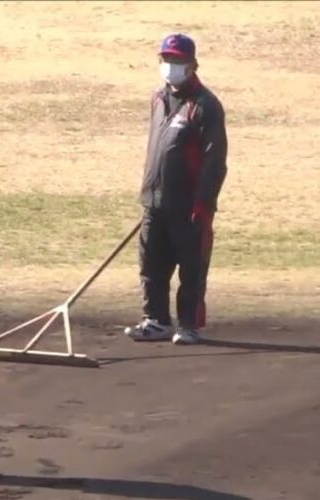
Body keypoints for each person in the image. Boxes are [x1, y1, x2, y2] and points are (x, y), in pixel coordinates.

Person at [125, 32, 227, 345]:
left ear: (192, 64)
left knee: (191, 270)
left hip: (189, 206)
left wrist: (203, 203)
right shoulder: (158, 98)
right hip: (154, 201)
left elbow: (215, 160)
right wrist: (149, 195)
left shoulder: (206, 106)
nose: (171, 65)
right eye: (166, 59)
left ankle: (188, 325)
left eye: (177, 60)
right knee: (151, 266)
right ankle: (156, 320)